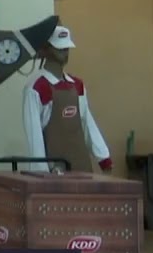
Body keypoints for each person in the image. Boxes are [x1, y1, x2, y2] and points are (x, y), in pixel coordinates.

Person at [22, 25, 112, 173]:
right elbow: (34, 136)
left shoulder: (77, 85)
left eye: (66, 48)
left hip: (82, 167)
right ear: (47, 49)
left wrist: (104, 158)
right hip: (54, 171)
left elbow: (87, 123)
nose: (65, 52)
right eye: (60, 48)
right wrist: (41, 172)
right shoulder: (36, 87)